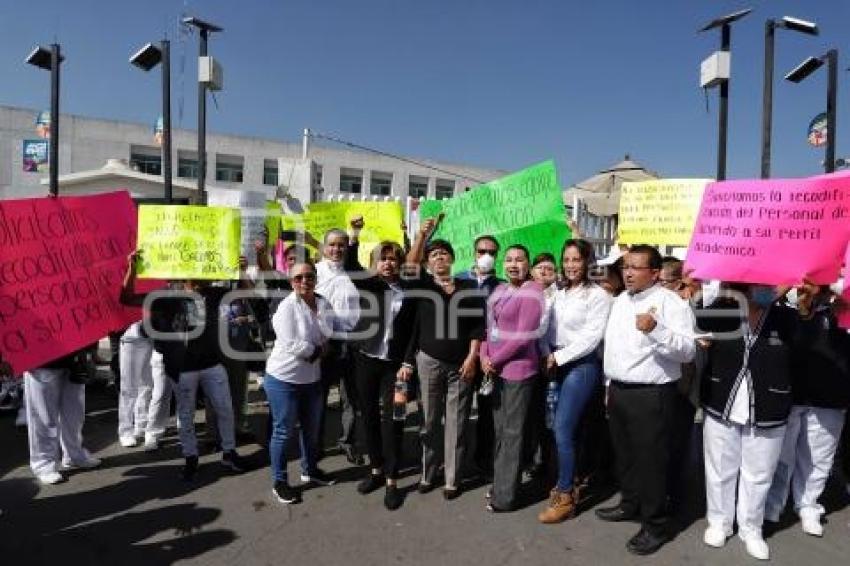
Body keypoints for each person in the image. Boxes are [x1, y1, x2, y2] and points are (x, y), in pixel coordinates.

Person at [596, 244, 695, 556]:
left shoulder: (671, 303)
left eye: (636, 268)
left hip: (652, 394)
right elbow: (613, 348)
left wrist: (657, 331)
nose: (627, 273)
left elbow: (688, 350)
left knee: (652, 462)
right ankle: (630, 503)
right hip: (619, 390)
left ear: (654, 273)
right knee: (625, 455)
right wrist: (608, 385)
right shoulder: (620, 301)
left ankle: (655, 524)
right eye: (626, 266)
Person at [120, 252, 248, 481]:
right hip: (182, 368)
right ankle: (190, 456)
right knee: (186, 414)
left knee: (225, 409)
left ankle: (229, 452)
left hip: (212, 363)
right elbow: (127, 298)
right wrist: (132, 268)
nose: (204, 276)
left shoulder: (216, 293)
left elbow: (247, 294)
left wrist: (242, 270)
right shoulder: (166, 297)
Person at [699, 283, 796, 560]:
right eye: (757, 283)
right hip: (722, 398)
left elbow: (804, 352)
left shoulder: (787, 317)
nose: (763, 288)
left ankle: (751, 528)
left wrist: (803, 299)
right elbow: (699, 325)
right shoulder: (725, 309)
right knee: (719, 468)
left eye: (770, 284)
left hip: (769, 405)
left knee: (760, 473)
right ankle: (719, 522)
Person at [401, 220, 486, 500]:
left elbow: (477, 328)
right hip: (429, 362)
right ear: (428, 262)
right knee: (429, 421)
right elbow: (409, 265)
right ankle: (428, 472)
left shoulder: (468, 287)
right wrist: (424, 235)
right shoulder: (422, 284)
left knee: (457, 422)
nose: (439, 257)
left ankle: (452, 478)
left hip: (461, 365)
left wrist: (472, 357)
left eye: (444, 253)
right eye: (434, 254)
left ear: (452, 259)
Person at [765, 283, 850, 536]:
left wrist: (836, 292)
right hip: (789, 393)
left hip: (831, 395)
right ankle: (773, 504)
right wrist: (795, 290)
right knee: (781, 455)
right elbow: (759, 303)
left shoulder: (842, 307)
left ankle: (808, 505)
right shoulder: (786, 306)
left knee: (818, 457)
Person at [538, 239, 611, 523]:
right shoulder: (556, 291)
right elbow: (544, 328)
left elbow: (592, 338)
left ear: (587, 262)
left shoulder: (598, 295)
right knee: (560, 428)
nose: (570, 265)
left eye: (576, 260)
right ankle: (567, 480)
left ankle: (566, 494)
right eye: (566, 260)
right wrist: (547, 354)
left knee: (562, 429)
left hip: (580, 365)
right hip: (554, 361)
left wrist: (560, 358)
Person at [349, 241, 416, 510]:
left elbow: (414, 331)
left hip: (396, 367)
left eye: (392, 259)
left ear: (400, 263)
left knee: (396, 418)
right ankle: (376, 469)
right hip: (366, 361)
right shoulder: (370, 285)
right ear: (376, 263)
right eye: (383, 259)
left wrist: (408, 361)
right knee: (369, 416)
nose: (388, 263)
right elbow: (351, 266)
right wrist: (355, 236)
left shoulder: (410, 291)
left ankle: (392, 479)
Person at [265, 261, 337, 504]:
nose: (304, 281)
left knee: (311, 429)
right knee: (283, 432)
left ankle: (310, 470)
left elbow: (329, 331)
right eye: (298, 278)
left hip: (312, 379)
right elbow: (292, 344)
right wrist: (318, 350)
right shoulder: (285, 308)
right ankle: (280, 481)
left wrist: (319, 344)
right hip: (283, 378)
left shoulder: (323, 303)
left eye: (309, 276)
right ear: (291, 282)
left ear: (316, 278)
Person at [480, 244, 545, 512]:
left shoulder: (534, 292)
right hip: (494, 370)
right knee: (500, 431)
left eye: (519, 260)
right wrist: (484, 355)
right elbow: (489, 328)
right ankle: (500, 483)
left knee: (513, 432)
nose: (513, 264)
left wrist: (493, 360)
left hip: (518, 370)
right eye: (508, 260)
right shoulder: (500, 289)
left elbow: (523, 337)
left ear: (528, 265)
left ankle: (505, 497)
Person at [316, 222, 364, 465]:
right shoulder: (313, 272)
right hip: (325, 343)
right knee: (319, 397)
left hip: (353, 342)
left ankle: (348, 442)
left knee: (352, 399)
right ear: (324, 247)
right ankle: (316, 445)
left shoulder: (355, 272)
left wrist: (355, 234)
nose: (336, 249)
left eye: (341, 245)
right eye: (332, 245)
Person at [457, 234, 503, 477]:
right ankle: (456, 461)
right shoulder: (458, 279)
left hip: (489, 356)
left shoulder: (502, 285)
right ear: (473, 252)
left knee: (487, 411)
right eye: (482, 250)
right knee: (459, 411)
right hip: (461, 354)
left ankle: (484, 460)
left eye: (492, 252)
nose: (486, 255)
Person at [22, 347, 101, 484]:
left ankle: (74, 455)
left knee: (74, 415)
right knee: (43, 418)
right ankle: (43, 464)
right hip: (41, 358)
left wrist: (91, 351)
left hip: (75, 357)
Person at [116, 321, 155, 448]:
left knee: (147, 385)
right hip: (131, 339)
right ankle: (125, 431)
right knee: (129, 388)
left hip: (151, 338)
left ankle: (141, 425)